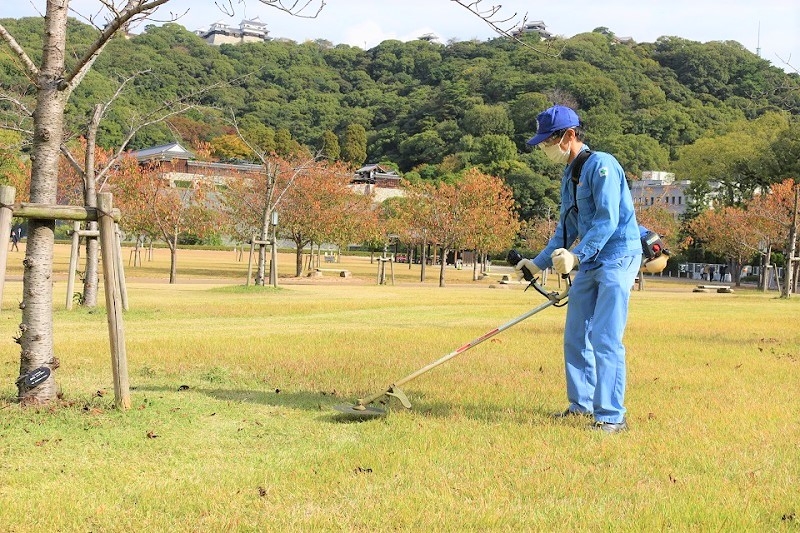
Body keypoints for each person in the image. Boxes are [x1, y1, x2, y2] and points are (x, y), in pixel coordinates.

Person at [514, 105, 642, 433]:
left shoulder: (602, 166)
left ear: (569, 135)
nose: (544, 148)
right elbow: (565, 230)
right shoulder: (569, 175)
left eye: (547, 141)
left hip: (616, 257)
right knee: (575, 336)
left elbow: (607, 220)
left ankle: (612, 418)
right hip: (589, 260)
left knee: (604, 336)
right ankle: (581, 406)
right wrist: (536, 263)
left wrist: (577, 257)